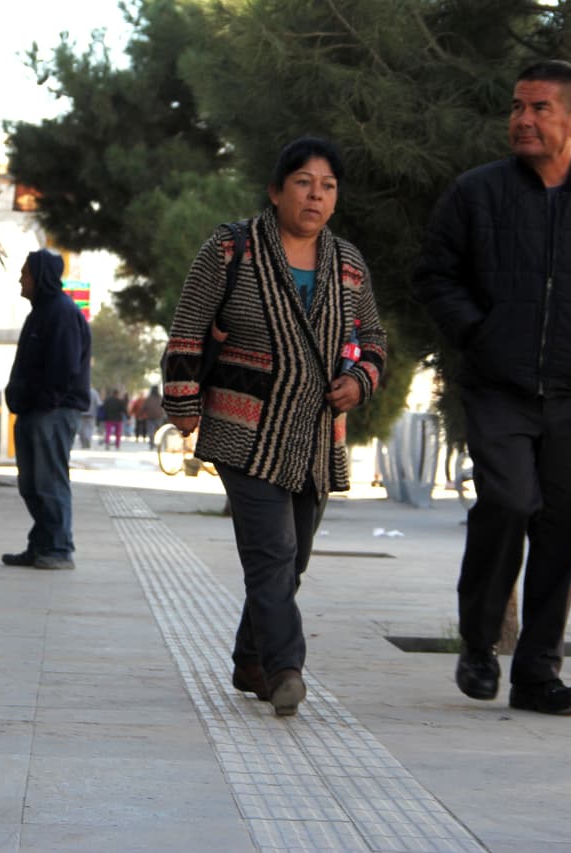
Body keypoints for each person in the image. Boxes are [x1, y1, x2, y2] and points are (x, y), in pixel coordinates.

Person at [414, 60, 571, 716]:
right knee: (506, 501)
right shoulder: (476, 193)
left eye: (539, 108)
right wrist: (480, 332)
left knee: (562, 530)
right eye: (517, 106)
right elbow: (437, 272)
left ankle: (537, 675)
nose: (523, 119)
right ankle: (478, 642)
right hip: (499, 383)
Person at [162, 136, 387, 716]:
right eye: (303, 182)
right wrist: (184, 404)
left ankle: (249, 660)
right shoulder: (230, 248)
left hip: (314, 437)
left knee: (294, 560)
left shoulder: (350, 264)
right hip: (245, 428)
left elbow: (376, 343)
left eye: (328, 186)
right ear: (275, 190)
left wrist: (360, 380)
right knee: (273, 552)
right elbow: (189, 329)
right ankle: (287, 668)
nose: (315, 195)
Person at [1, 249, 93, 571]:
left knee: (48, 481)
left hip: (51, 414)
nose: (20, 279)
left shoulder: (62, 313)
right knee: (31, 483)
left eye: (25, 273)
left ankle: (57, 548)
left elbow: (63, 369)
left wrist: (44, 403)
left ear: (40, 277)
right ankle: (41, 544)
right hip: (35, 412)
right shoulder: (41, 312)